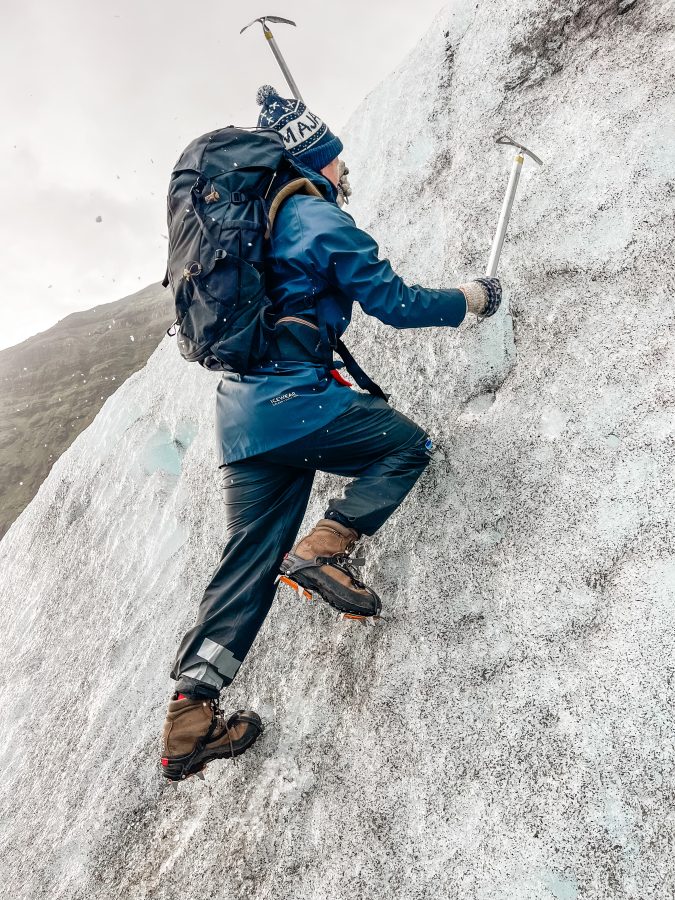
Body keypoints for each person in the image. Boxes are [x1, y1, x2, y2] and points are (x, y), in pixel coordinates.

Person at [160, 86, 501, 781]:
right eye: (339, 161)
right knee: (405, 444)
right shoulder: (315, 217)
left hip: (242, 420)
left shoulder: (253, 226)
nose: (348, 172)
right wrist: (471, 300)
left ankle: (188, 718)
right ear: (317, 162)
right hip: (295, 404)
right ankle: (323, 549)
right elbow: (397, 305)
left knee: (246, 565)